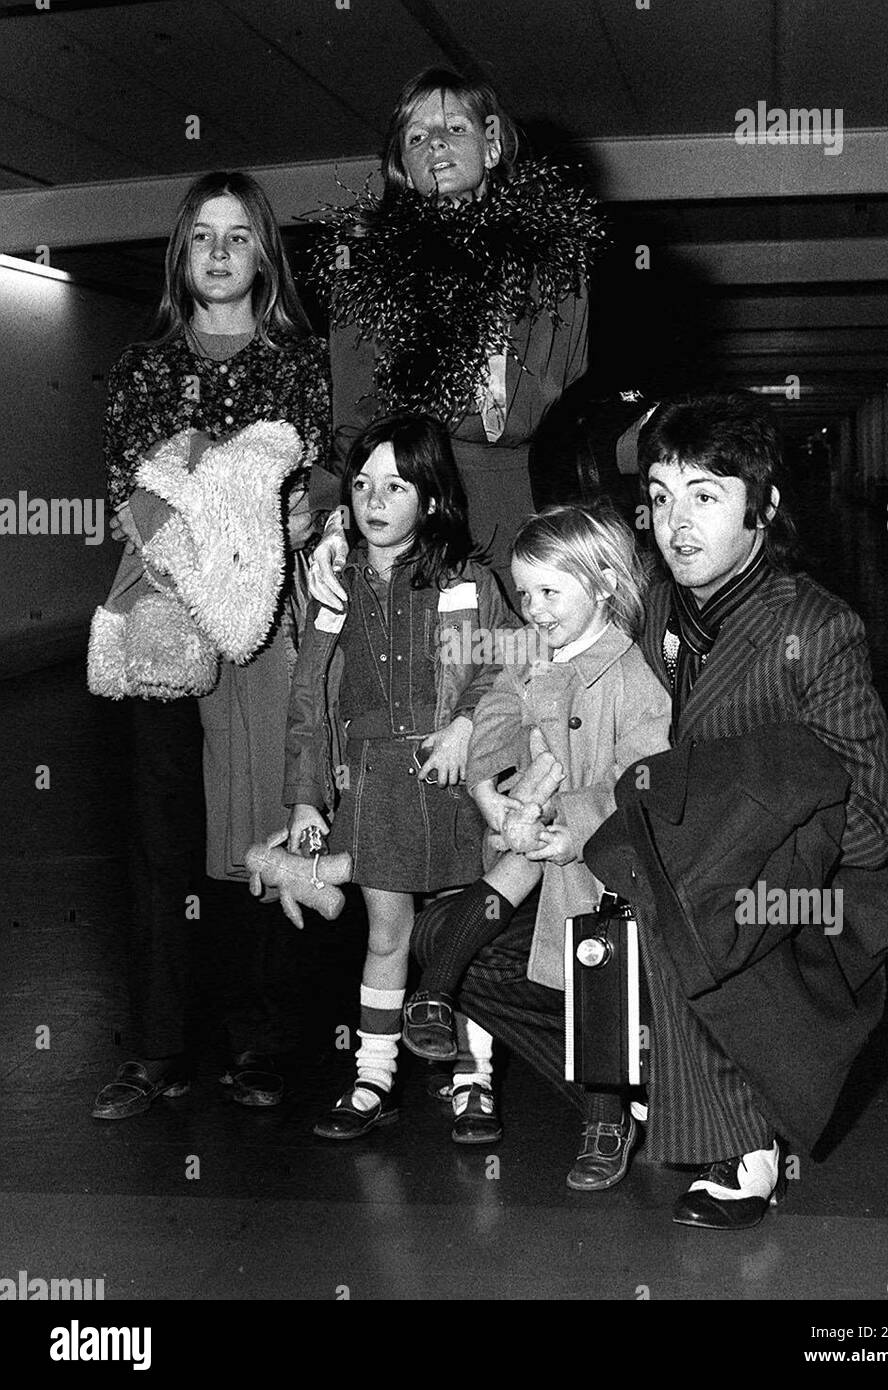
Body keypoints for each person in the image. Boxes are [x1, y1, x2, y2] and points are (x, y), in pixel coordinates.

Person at [411, 393, 888, 1225]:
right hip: (633, 877)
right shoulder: (647, 604)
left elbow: (868, 824)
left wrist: (711, 829)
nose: (675, 521)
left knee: (662, 919)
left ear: (761, 508)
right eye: (658, 496)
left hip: (777, 903)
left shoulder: (815, 628)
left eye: (704, 495)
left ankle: (741, 1135)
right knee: (465, 957)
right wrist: (482, 747)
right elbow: (520, 648)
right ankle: (645, 1081)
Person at [92, 171, 333, 1121]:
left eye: (240, 236)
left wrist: (261, 503)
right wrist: (223, 509)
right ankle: (157, 1049)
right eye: (204, 237)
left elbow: (316, 491)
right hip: (162, 624)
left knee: (269, 827)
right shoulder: (144, 365)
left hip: (274, 629)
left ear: (264, 255)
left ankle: (266, 1042)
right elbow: (136, 501)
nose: (222, 253)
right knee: (162, 842)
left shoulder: (304, 363)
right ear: (180, 257)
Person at [401, 503, 672, 1145]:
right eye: (525, 594)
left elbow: (641, 778)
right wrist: (487, 786)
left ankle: (608, 1121)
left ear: (604, 582)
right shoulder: (530, 650)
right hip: (533, 824)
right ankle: (436, 995)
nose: (535, 609)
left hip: (601, 861)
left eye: (550, 591)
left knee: (601, 981)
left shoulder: (633, 676)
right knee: (480, 904)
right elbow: (495, 708)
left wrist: (569, 823)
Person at [284, 413, 518, 1143]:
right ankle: (373, 1076)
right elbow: (309, 695)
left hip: (457, 784)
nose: (373, 500)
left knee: (461, 933)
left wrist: (466, 723)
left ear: (431, 497)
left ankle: (472, 1081)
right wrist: (304, 797)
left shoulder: (468, 578)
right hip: (377, 779)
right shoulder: (335, 581)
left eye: (395, 485)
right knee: (386, 932)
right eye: (361, 484)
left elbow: (511, 665)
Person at [306, 66, 601, 604]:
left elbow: (578, 395)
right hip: (414, 509)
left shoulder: (556, 265)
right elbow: (354, 421)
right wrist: (335, 524)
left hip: (527, 506)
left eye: (454, 129)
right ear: (403, 168)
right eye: (416, 136)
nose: (435, 143)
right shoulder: (367, 272)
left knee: (524, 667)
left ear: (491, 148)